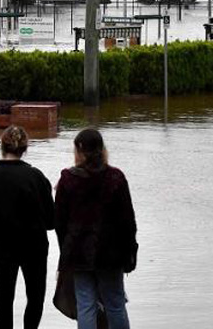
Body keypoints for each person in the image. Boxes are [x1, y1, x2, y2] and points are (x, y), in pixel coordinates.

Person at [55, 128, 138, 329]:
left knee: (85, 305)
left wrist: (65, 253)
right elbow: (128, 220)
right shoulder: (116, 178)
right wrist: (130, 253)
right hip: (111, 254)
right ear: (102, 149)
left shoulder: (67, 179)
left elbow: (59, 222)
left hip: (78, 253)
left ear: (79, 152)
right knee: (115, 303)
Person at [0, 125, 55, 329]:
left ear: (1, 145)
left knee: (4, 298)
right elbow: (50, 221)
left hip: (0, 246)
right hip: (33, 248)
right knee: (35, 297)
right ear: (25, 149)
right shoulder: (35, 177)